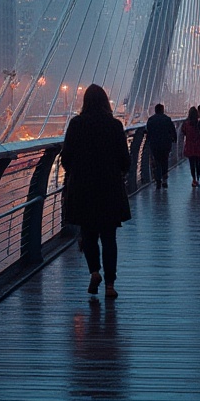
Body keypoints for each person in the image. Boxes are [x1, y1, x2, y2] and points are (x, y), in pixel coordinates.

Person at [61, 84, 131, 298]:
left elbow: (66, 159)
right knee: (109, 237)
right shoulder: (115, 125)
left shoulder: (76, 124)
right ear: (105, 102)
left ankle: (94, 272)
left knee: (88, 233)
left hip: (83, 189)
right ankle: (110, 285)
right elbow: (125, 162)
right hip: (109, 189)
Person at [145, 103, 176, 189]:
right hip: (166, 144)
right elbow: (172, 131)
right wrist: (174, 139)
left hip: (155, 144)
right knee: (165, 161)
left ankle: (158, 180)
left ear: (155, 110)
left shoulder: (151, 120)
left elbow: (148, 132)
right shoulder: (167, 119)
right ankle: (165, 179)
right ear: (163, 110)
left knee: (157, 162)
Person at [181, 106, 200, 187]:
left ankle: (193, 179)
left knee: (192, 164)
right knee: (198, 163)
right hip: (198, 145)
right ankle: (198, 178)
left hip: (190, 146)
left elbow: (183, 132)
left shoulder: (186, 124)